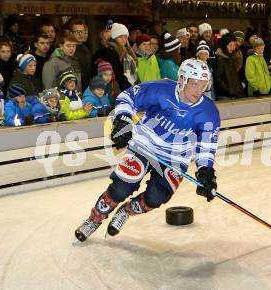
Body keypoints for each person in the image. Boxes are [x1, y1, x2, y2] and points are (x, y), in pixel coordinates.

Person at [74, 59, 220, 242]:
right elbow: (127, 96)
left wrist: (206, 171)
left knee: (155, 198)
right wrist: (123, 120)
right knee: (121, 188)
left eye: (203, 85)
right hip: (144, 147)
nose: (198, 91)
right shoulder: (161, 89)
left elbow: (206, 146)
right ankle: (94, 219)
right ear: (182, 79)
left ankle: (126, 212)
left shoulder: (208, 111)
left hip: (175, 158)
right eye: (194, 84)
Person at [93, 22, 138, 91]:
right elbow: (117, 74)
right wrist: (129, 88)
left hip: (130, 85)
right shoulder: (111, 52)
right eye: (120, 37)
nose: (124, 39)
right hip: (121, 89)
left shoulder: (127, 51)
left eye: (125, 36)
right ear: (114, 38)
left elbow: (134, 72)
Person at [215, 33, 245, 99]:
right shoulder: (221, 60)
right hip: (225, 95)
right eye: (230, 45)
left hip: (235, 94)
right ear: (225, 46)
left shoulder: (232, 58)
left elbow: (235, 77)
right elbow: (218, 79)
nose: (232, 48)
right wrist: (229, 90)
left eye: (234, 45)